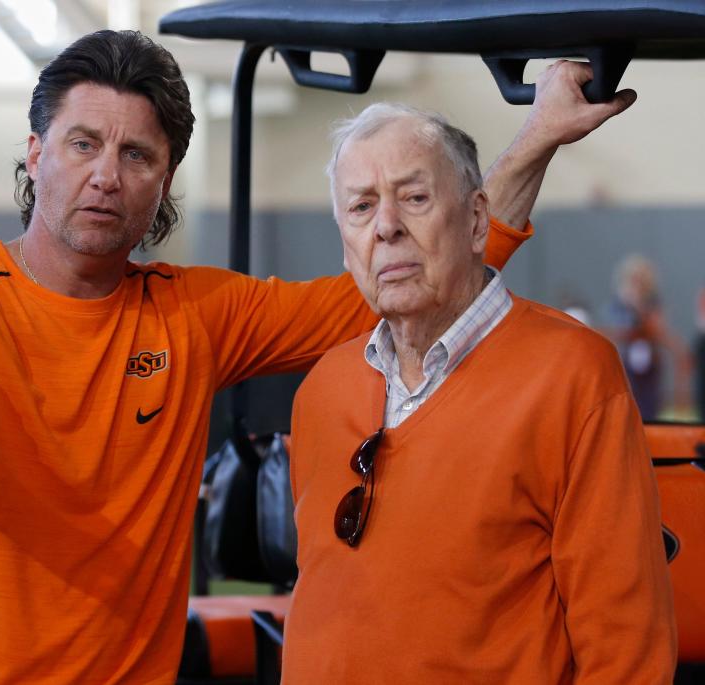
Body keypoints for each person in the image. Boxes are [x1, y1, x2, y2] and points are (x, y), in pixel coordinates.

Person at [0, 30, 635, 685]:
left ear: (164, 180)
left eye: (137, 155)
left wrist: (538, 138)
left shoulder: (195, 311)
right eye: (83, 144)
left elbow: (412, 272)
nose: (106, 175)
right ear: (36, 153)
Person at [283, 102, 676, 683]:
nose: (386, 225)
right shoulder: (322, 388)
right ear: (346, 246)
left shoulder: (573, 373)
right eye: (362, 206)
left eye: (414, 198)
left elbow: (625, 644)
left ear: (475, 221)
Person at [606, 253, 692, 420]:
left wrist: (640, 307)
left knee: (649, 406)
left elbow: (657, 328)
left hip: (650, 362)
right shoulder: (620, 303)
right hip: (627, 361)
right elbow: (617, 329)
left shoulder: (653, 301)